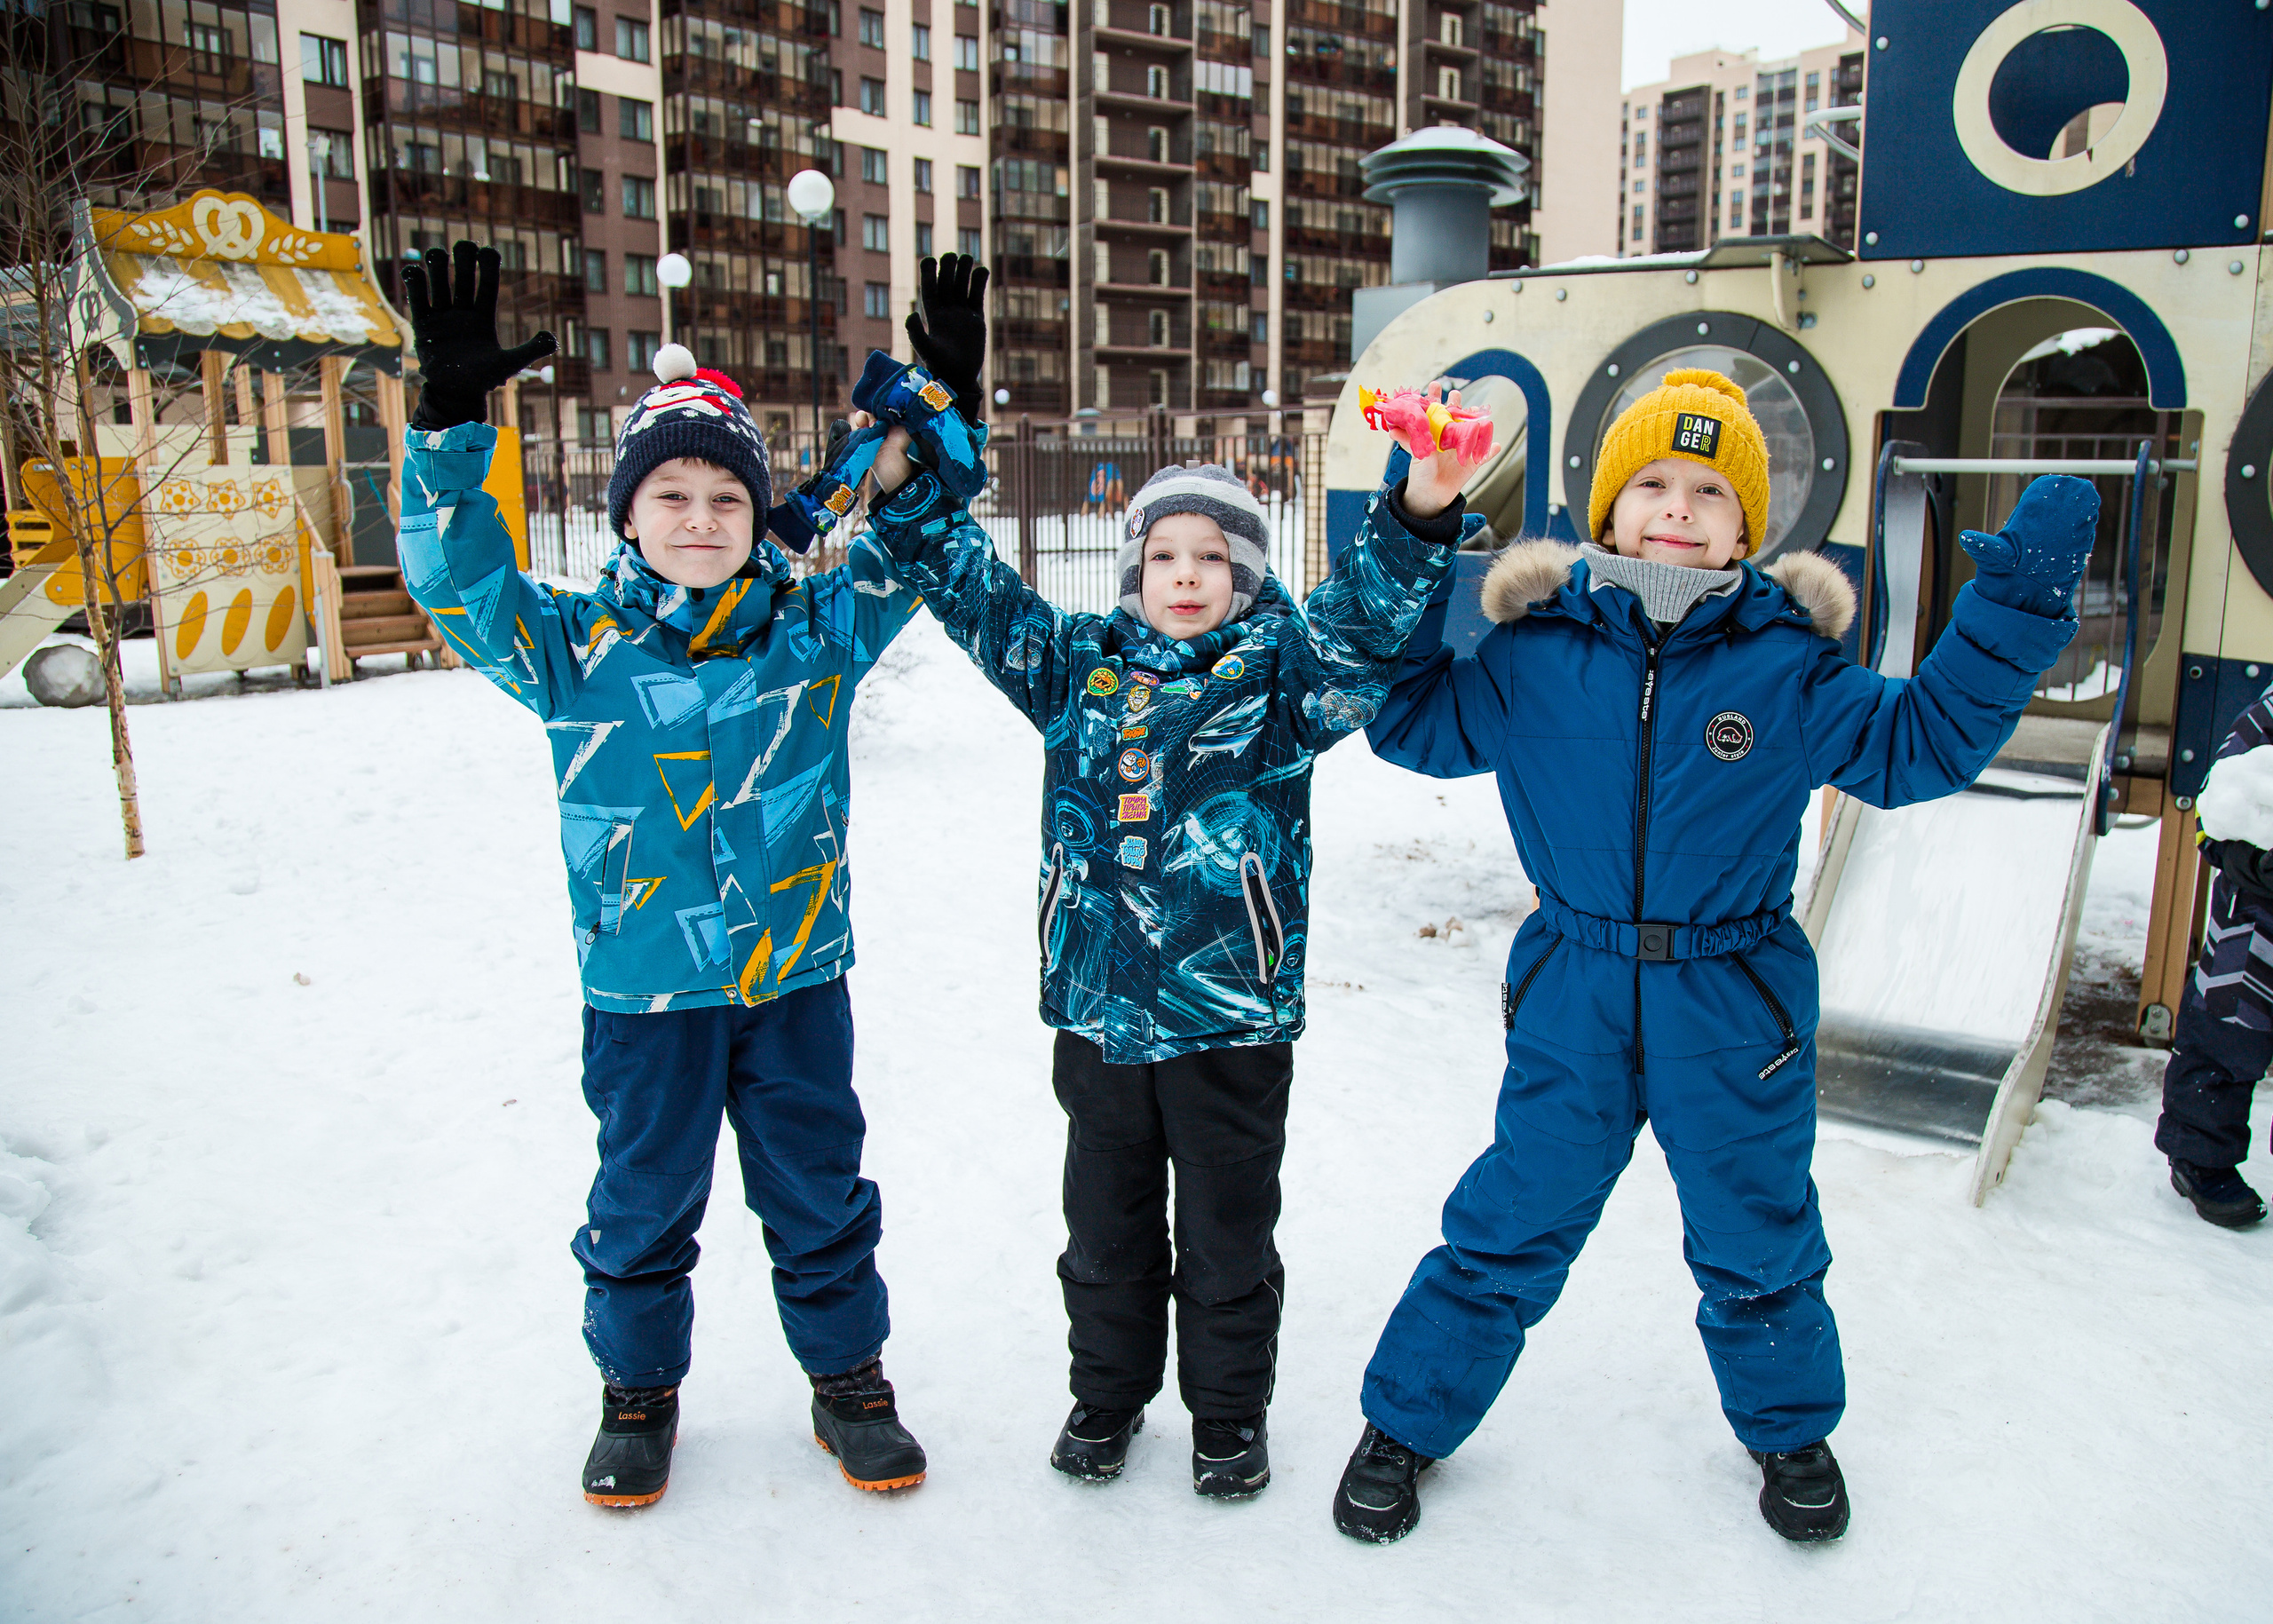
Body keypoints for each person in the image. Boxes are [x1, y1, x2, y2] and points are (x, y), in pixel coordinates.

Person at [1328, 368, 2099, 1546]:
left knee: (1757, 1229)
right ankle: (1407, 1420)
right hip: (1574, 991)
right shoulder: (1535, 651)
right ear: (1606, 511)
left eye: (1709, 490)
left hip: (1736, 1005)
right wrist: (1422, 525)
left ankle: (1789, 1428)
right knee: (1511, 1218)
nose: (1677, 508)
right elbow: (1408, 718)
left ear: (1750, 526)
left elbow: (1921, 747)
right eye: (1650, 483)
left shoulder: (1786, 666)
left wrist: (2012, 619)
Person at [854, 257, 1485, 1499]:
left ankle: (1228, 1415)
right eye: (1164, 556)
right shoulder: (1077, 669)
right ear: (1133, 572)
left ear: (1247, 579)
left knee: (1231, 1236)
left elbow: (1359, 627)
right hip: (1097, 1016)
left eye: (1215, 557)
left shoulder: (1283, 687)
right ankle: (1105, 1398)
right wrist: (927, 458)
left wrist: (1419, 511)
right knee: (1105, 1232)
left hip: (1229, 1021)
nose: (1187, 574)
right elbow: (972, 591)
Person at [393, 241, 933, 1509]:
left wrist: (937, 406)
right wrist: (447, 423)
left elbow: (908, 535)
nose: (701, 519)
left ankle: (849, 1377)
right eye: (673, 494)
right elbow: (453, 582)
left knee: (819, 1187)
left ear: (756, 518)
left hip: (795, 977)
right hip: (643, 991)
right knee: (642, 1199)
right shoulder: (571, 646)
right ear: (628, 511)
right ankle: (637, 1392)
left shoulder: (816, 628)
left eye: (728, 499)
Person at [2154, 693, 2273, 1228]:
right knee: (2230, 1033)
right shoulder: (2268, 717)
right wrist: (2242, 856)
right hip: (2260, 912)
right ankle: (2200, 1159)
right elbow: (2218, 799)